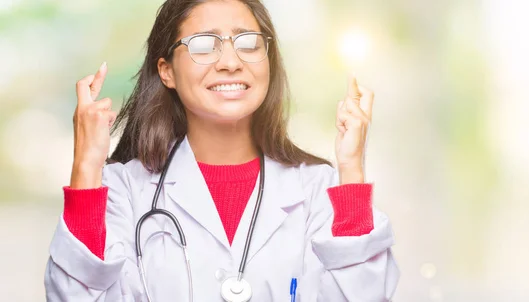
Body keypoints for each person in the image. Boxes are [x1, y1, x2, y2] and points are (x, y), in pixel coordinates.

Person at [44, 0, 399, 301]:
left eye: (248, 42)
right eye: (203, 44)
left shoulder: (317, 189)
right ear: (166, 71)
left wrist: (351, 167)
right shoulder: (123, 190)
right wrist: (87, 167)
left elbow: (364, 294)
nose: (230, 61)